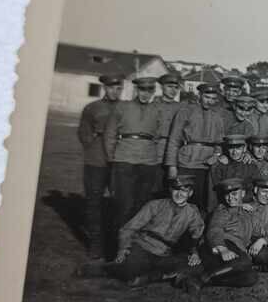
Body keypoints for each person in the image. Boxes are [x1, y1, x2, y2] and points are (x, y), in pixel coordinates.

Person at [74, 176, 204, 286]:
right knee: (129, 270)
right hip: (142, 247)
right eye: (176, 190)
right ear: (170, 190)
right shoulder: (155, 205)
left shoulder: (192, 212)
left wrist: (194, 252)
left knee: (195, 265)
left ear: (190, 193)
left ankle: (148, 277)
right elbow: (129, 228)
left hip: (165, 253)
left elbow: (196, 234)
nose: (179, 194)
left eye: (184, 191)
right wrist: (123, 249)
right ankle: (99, 269)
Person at [104, 77, 173, 236]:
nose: (145, 94)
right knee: (124, 204)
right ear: (136, 90)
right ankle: (117, 246)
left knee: (142, 204)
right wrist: (111, 158)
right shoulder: (122, 107)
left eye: (149, 90)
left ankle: (134, 245)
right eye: (142, 90)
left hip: (148, 162)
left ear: (153, 92)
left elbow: (158, 135)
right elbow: (110, 134)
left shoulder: (158, 110)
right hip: (124, 159)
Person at [173, 177, 260, 292]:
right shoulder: (222, 210)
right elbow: (215, 230)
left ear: (243, 194)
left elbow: (262, 231)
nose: (230, 198)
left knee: (251, 277)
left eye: (234, 194)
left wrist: (263, 240)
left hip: (235, 252)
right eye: (227, 195)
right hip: (215, 247)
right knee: (244, 262)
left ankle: (196, 280)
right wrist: (222, 249)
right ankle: (202, 278)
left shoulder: (247, 213)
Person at [77, 73, 123, 257]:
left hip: (119, 162)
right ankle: (96, 244)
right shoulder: (92, 108)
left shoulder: (126, 108)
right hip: (96, 162)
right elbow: (83, 135)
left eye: (119, 88)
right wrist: (96, 136)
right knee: (94, 203)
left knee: (119, 203)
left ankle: (115, 242)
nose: (115, 91)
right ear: (105, 88)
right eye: (111, 87)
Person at [163, 83, 227, 212]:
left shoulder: (218, 117)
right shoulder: (185, 111)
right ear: (199, 95)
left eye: (213, 99)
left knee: (202, 203)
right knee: (181, 200)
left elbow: (220, 144)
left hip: (207, 166)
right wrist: (172, 166)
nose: (209, 101)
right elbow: (174, 140)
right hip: (187, 163)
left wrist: (216, 156)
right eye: (206, 97)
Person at [206, 134, 260, 209]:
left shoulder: (251, 166)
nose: (234, 152)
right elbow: (214, 194)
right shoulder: (220, 166)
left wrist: (243, 204)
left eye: (238, 148)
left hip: (247, 206)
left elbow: (253, 191)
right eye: (231, 148)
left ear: (244, 148)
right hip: (225, 207)